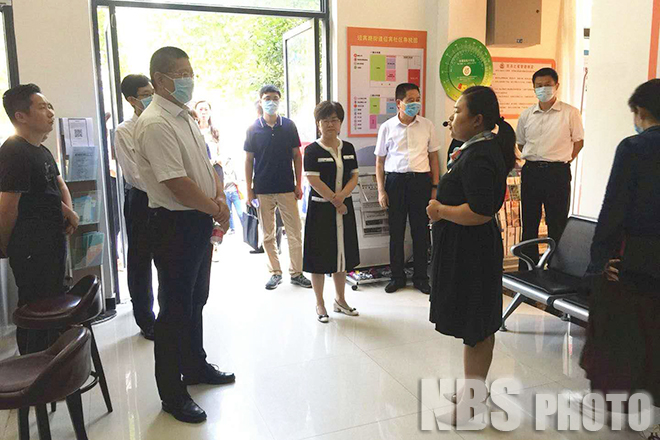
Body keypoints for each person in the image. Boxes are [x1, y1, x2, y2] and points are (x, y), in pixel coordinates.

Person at [134, 46, 234, 424]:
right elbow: (176, 182)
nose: (188, 80)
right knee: (174, 309)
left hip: (198, 218)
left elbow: (205, 165)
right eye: (181, 74)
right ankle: (172, 394)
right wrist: (214, 208)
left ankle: (195, 365)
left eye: (191, 72)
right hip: (175, 225)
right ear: (160, 79)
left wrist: (219, 197)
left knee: (196, 299)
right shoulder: (156, 122)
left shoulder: (184, 116)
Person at [426, 86, 516, 426]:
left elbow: (479, 211)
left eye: (458, 111)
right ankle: (472, 391)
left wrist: (440, 211)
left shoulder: (480, 155)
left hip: (473, 251)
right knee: (473, 324)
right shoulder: (474, 148)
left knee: (476, 327)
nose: (452, 118)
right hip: (466, 246)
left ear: (477, 120)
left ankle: (472, 404)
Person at [578, 79, 660, 439]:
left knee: (625, 335)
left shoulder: (633, 148)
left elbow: (613, 208)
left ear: (640, 112)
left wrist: (599, 261)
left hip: (636, 260)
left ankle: (620, 407)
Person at [0, 84, 79, 354]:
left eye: (50, 106)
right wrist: (4, 244)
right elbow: (8, 206)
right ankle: (34, 365)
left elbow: (54, 188)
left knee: (54, 302)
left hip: (52, 242)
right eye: (42, 107)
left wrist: (69, 213)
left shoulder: (40, 150)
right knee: (35, 307)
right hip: (31, 247)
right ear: (21, 116)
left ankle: (56, 361)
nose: (51, 112)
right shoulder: (14, 151)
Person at [516, 67, 584, 270]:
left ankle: (557, 270)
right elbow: (521, 144)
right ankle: (526, 270)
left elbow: (578, 142)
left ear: (556, 86)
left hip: (557, 173)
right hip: (531, 171)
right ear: (533, 87)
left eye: (547, 85)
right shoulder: (527, 114)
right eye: (539, 86)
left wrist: (564, 160)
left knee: (557, 224)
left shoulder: (570, 112)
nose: (543, 89)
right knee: (529, 223)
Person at [244, 85, 312, 290]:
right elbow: (248, 160)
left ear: (279, 101)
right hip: (262, 189)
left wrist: (298, 184)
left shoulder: (289, 126)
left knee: (295, 232)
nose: (271, 102)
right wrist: (249, 190)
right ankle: (275, 272)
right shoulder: (253, 129)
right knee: (268, 234)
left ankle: (297, 272)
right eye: (267, 98)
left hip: (286, 188)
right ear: (260, 101)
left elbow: (297, 156)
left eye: (275, 98)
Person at [375, 82, 440, 294]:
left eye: (417, 99)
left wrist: (435, 187)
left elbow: (434, 157)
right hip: (395, 182)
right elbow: (379, 162)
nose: (415, 104)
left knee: (420, 232)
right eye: (410, 100)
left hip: (420, 182)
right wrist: (381, 190)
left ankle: (421, 277)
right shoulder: (387, 128)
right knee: (396, 232)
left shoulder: (427, 125)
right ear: (398, 103)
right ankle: (397, 277)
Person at [303, 101, 360, 323]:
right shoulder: (312, 150)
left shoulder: (348, 148)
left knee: (341, 256)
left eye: (334, 120)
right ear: (318, 124)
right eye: (325, 120)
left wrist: (342, 196)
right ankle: (320, 303)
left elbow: (354, 176)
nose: (330, 124)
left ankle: (340, 300)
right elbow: (313, 180)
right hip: (321, 209)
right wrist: (336, 201)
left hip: (344, 207)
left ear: (340, 123)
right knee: (318, 257)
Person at [115, 74, 156, 341]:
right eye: (145, 94)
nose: (151, 97)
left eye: (152, 91)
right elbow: (135, 174)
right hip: (141, 200)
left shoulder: (160, 123)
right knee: (140, 261)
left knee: (168, 257)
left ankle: (171, 315)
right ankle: (145, 319)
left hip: (167, 199)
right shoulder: (124, 130)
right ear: (132, 100)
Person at [223, 153, 243, 235]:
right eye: (228, 165)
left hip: (234, 193)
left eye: (230, 165)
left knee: (240, 212)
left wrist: (232, 180)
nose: (229, 167)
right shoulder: (223, 173)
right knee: (229, 212)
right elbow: (222, 185)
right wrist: (226, 181)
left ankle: (245, 227)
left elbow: (238, 182)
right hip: (227, 193)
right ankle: (232, 228)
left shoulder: (234, 173)